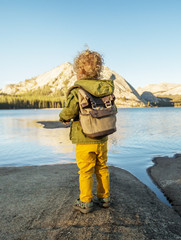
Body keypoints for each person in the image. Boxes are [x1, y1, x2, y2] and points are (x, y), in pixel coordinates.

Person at [59, 50, 113, 213]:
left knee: (85, 171)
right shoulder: (105, 89)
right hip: (102, 137)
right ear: (97, 71)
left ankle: (86, 201)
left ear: (80, 71)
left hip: (84, 139)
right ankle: (104, 198)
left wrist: (63, 118)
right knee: (102, 167)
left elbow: (69, 111)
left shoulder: (78, 90)